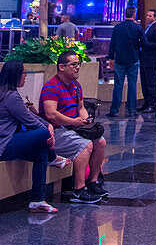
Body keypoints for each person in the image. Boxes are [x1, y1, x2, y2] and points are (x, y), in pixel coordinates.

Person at [0, 60, 67, 213]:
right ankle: (53, 158)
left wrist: (48, 125)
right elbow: (31, 121)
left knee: (40, 154)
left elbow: (28, 116)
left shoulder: (1, 92)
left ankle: (37, 200)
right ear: (15, 76)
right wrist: (47, 129)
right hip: (0, 146)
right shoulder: (11, 97)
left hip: (1, 143)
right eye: (24, 73)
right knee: (43, 134)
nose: (25, 76)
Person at [40, 50, 107, 204]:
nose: (77, 67)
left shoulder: (76, 85)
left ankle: (93, 182)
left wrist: (84, 119)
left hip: (72, 128)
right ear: (62, 67)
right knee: (85, 145)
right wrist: (73, 121)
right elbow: (51, 115)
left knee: (100, 141)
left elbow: (81, 107)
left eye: (78, 64)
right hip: (55, 132)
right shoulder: (51, 87)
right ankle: (78, 189)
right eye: (74, 64)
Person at [107, 6, 143, 118]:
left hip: (120, 60)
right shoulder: (138, 28)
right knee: (132, 85)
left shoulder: (117, 27)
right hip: (133, 60)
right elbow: (142, 43)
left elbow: (112, 43)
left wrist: (111, 58)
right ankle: (132, 110)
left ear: (125, 14)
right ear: (134, 15)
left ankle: (114, 110)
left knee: (118, 85)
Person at [139, 9, 156, 113]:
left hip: (151, 61)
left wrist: (145, 44)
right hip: (144, 60)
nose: (147, 17)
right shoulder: (146, 28)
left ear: (155, 17)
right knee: (144, 83)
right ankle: (146, 103)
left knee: (151, 84)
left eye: (150, 16)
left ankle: (152, 105)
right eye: (147, 15)